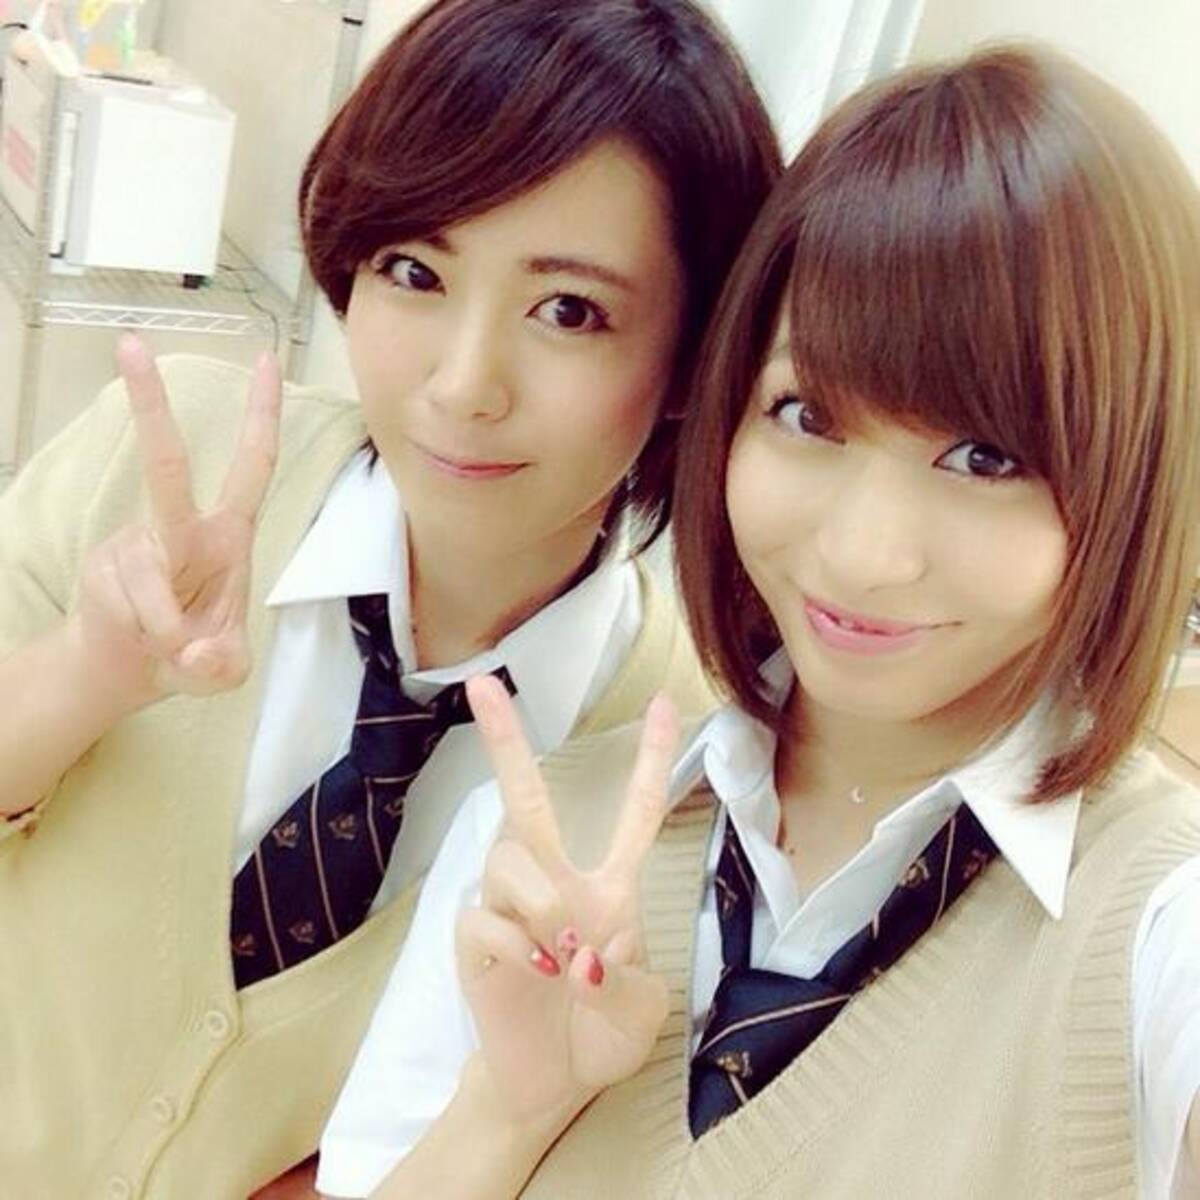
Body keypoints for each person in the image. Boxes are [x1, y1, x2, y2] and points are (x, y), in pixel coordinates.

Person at [328, 44, 1200, 1199]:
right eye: (807, 416)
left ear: (1135, 483)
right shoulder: (540, 841)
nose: (863, 553)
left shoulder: (1160, 933)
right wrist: (511, 1110)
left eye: (984, 458)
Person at [0, 1, 781, 1195]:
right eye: (414, 271)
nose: (464, 385)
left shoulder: (678, 759)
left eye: (569, 311)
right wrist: (87, 671)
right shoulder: (161, 463)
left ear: (693, 360)